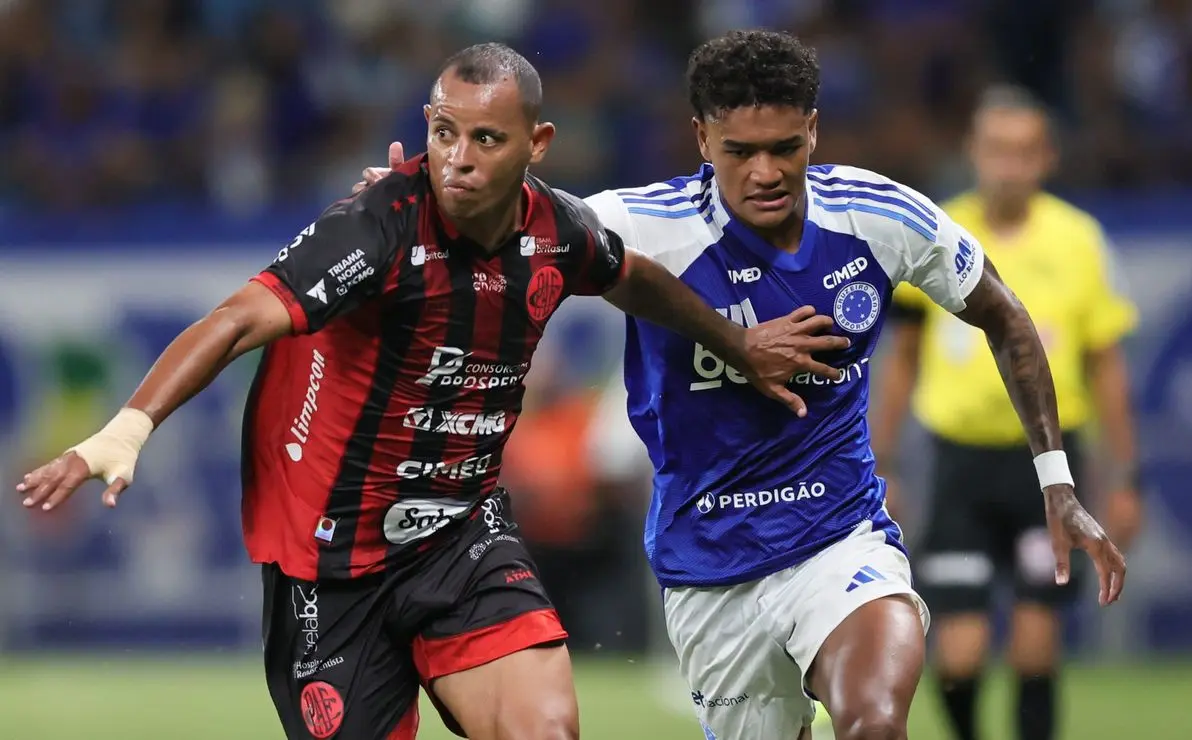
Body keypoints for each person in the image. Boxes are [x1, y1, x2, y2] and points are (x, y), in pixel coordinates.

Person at [14, 43, 853, 740]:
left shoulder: (555, 230)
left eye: (487, 138)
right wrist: (129, 426)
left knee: (546, 730)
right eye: (445, 132)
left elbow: (629, 276)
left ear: (537, 143)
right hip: (329, 562)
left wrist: (739, 343)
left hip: (459, 534)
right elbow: (237, 321)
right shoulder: (375, 226)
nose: (459, 157)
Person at [356, 31, 1129, 740]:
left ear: (813, 131)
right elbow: (493, 235)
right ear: (702, 139)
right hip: (710, 567)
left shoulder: (877, 216)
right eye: (740, 151)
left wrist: (1057, 479)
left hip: (840, 542)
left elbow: (1005, 315)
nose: (766, 172)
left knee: (874, 720)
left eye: (785, 147)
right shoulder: (641, 225)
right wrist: (412, 213)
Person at [872, 85, 1143, 740]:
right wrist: (882, 464)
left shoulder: (1079, 241)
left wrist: (1125, 478)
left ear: (1047, 157)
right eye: (997, 149)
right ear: (973, 152)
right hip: (958, 463)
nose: (1009, 166)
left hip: (1045, 467)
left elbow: (1105, 365)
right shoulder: (938, 233)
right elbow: (902, 357)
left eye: (1024, 151)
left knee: (1035, 643)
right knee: (959, 654)